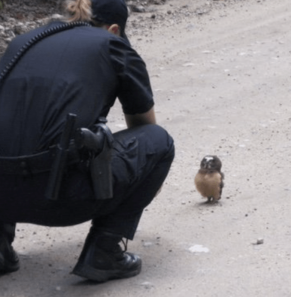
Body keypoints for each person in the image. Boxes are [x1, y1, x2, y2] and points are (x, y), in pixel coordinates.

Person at [0, 0, 174, 282]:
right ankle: (104, 252)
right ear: (115, 29)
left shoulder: (20, 43)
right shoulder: (111, 44)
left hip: (3, 197)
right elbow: (144, 126)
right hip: (61, 197)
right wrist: (144, 184)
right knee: (159, 142)